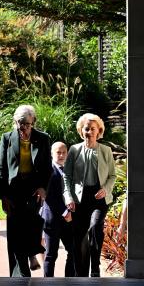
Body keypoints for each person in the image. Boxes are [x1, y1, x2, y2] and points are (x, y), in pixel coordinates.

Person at [0, 104, 52, 277]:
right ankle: (21, 272)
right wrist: (3, 196)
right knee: (15, 231)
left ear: (33, 122)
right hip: (14, 189)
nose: (24, 128)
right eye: (20, 124)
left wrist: (43, 188)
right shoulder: (7, 138)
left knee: (33, 224)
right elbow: (1, 169)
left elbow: (47, 168)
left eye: (27, 124)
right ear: (15, 122)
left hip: (33, 189)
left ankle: (31, 253)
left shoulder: (43, 139)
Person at [63, 113, 116, 277]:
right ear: (81, 130)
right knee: (78, 238)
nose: (90, 132)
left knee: (95, 227)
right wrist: (69, 197)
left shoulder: (106, 150)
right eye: (87, 129)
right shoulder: (74, 150)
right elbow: (67, 176)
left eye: (93, 129)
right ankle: (81, 274)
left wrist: (106, 189)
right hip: (79, 198)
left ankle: (95, 267)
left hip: (99, 197)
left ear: (99, 131)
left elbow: (112, 176)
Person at [40, 141, 76, 277]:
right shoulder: (47, 171)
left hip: (68, 221)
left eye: (64, 152)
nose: (61, 155)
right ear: (52, 154)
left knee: (73, 251)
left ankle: (69, 280)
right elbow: (49, 197)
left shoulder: (70, 170)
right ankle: (48, 282)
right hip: (52, 219)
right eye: (58, 152)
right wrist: (65, 211)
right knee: (51, 255)